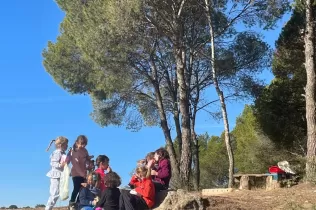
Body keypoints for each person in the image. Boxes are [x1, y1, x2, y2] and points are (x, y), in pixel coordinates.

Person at [69, 135, 94, 207]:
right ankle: (72, 202)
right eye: (81, 144)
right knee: (77, 187)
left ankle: (79, 202)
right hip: (76, 173)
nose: (83, 146)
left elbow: (86, 158)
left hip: (84, 173)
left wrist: (89, 163)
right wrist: (82, 174)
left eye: (84, 145)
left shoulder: (85, 150)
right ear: (77, 142)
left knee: (83, 189)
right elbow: (75, 164)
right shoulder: (74, 152)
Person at [45, 136, 69, 210]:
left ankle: (49, 208)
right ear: (60, 145)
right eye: (66, 144)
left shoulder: (63, 153)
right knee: (54, 194)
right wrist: (60, 165)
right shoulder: (57, 153)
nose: (67, 146)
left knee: (57, 194)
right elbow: (53, 163)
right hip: (56, 175)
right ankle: (48, 208)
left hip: (60, 175)